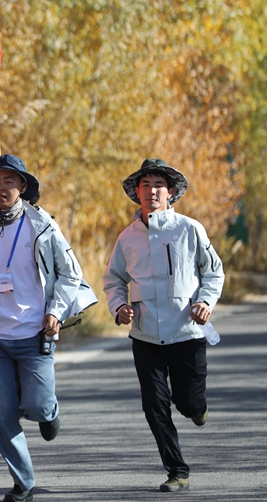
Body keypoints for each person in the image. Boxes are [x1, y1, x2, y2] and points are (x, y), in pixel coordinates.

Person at [0, 154, 95, 502]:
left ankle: (48, 413)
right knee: (1, 415)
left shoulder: (42, 226)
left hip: (35, 332)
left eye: (9, 181)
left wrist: (56, 311)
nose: (1, 187)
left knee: (38, 406)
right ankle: (23, 482)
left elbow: (70, 274)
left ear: (23, 187)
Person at [103, 158, 224, 493]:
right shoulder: (127, 238)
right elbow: (113, 280)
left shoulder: (189, 229)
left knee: (188, 403)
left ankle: (197, 409)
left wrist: (205, 302)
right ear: (137, 192)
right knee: (154, 406)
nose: (152, 191)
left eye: (158, 185)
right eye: (146, 185)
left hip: (187, 332)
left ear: (170, 192)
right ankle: (177, 471)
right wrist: (119, 307)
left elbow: (213, 272)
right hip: (146, 337)